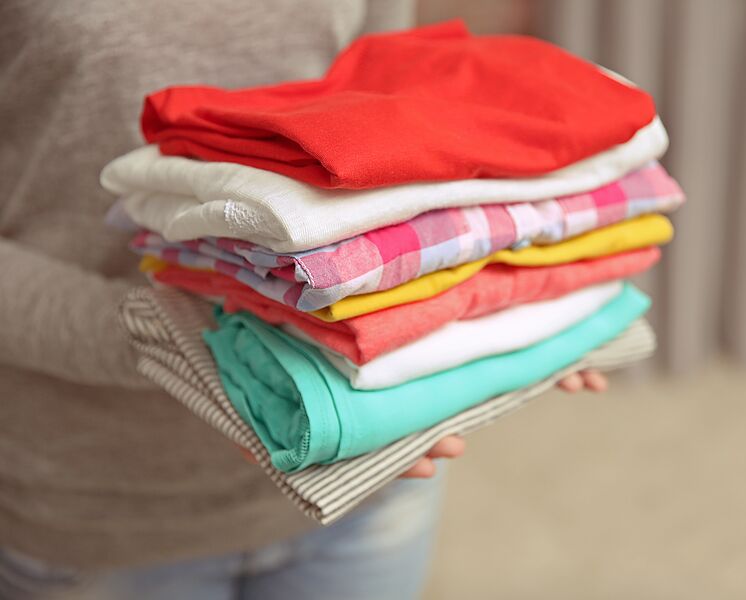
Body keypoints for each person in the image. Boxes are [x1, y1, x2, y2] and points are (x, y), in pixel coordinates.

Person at [0, 1, 608, 597]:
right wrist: (180, 341)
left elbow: (389, 131)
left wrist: (518, 314)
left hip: (363, 470)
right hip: (99, 505)